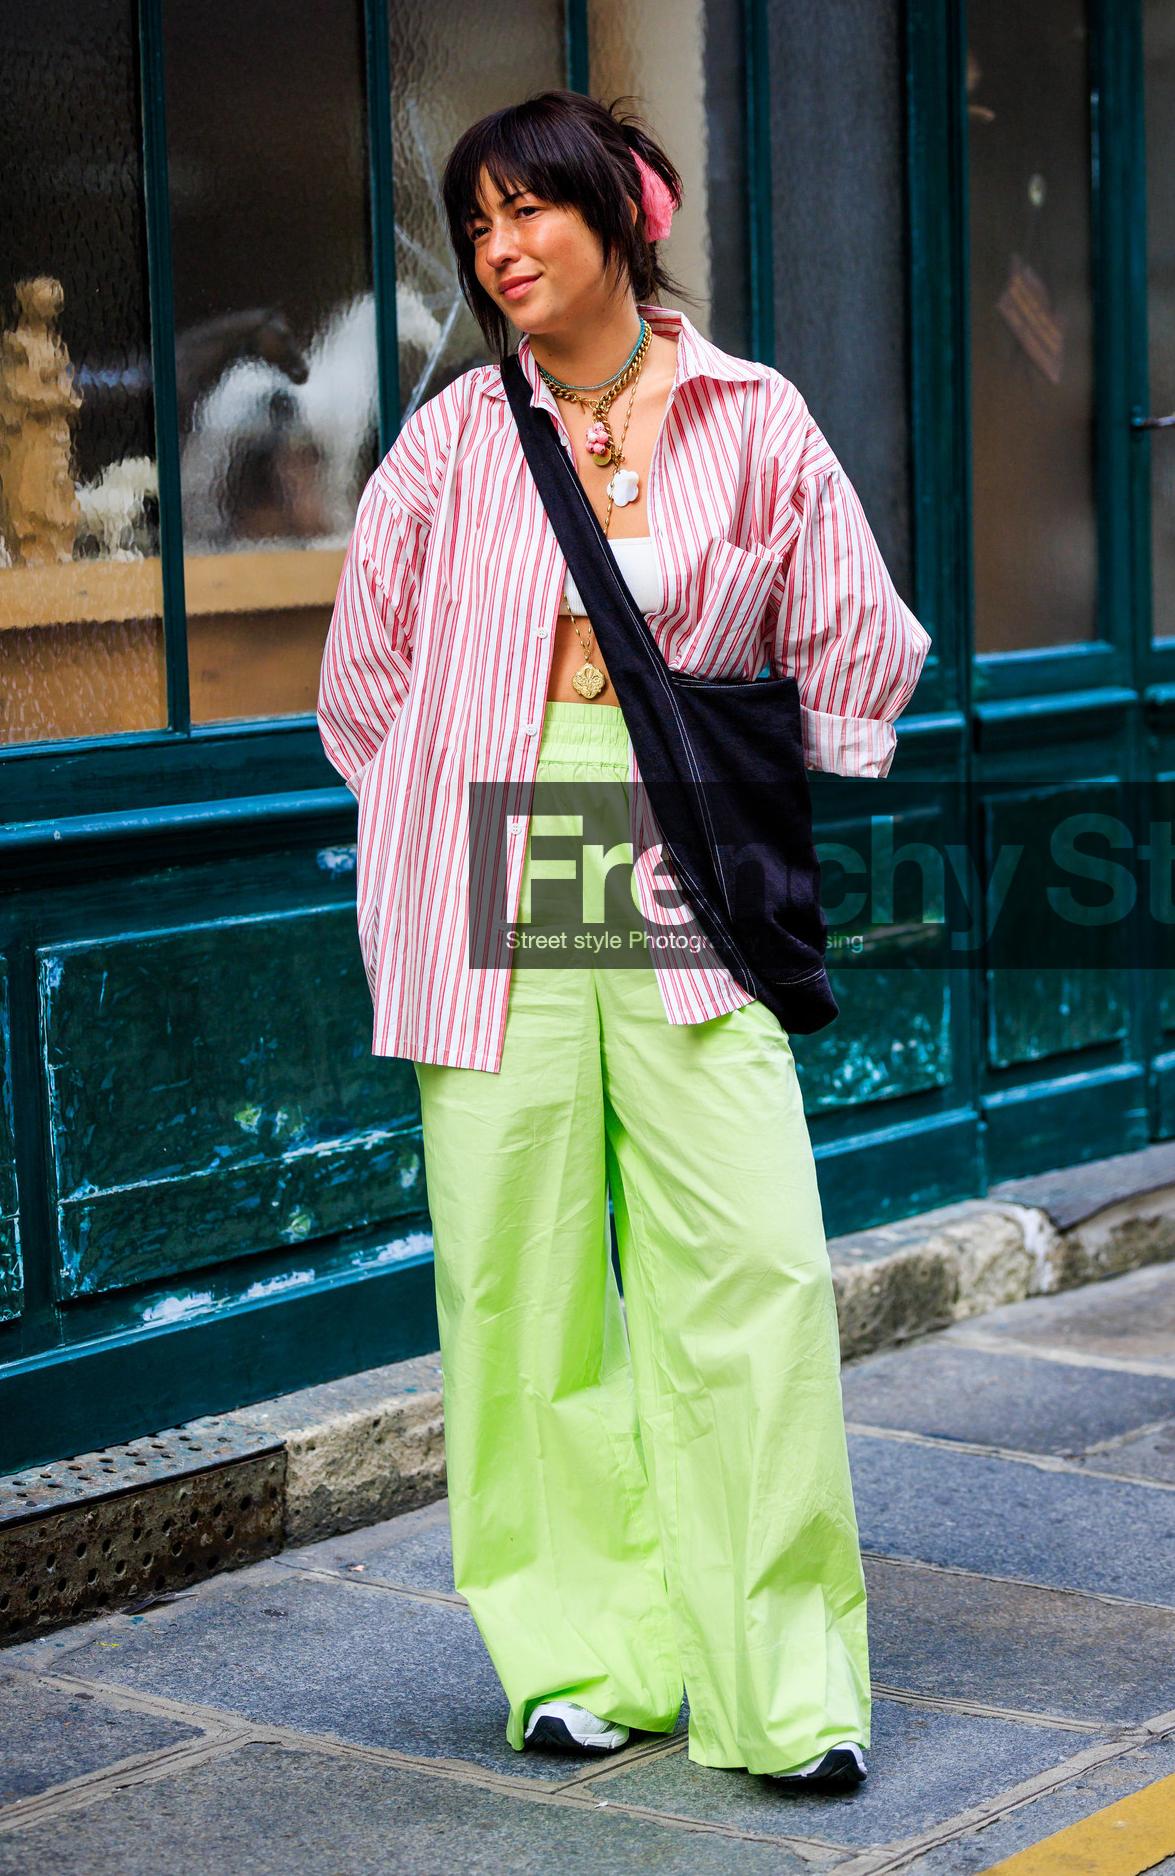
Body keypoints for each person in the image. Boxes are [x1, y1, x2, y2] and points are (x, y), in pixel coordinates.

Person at [318, 90, 928, 1791]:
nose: (501, 251)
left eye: (532, 213)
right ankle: (580, 1651)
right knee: (519, 1273)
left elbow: (860, 638)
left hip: (669, 846)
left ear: (619, 221)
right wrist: (443, 813)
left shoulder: (754, 418)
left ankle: (786, 1682)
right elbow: (360, 687)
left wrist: (760, 800)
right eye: (477, 227)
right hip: (489, 832)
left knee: (750, 1259)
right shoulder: (447, 442)